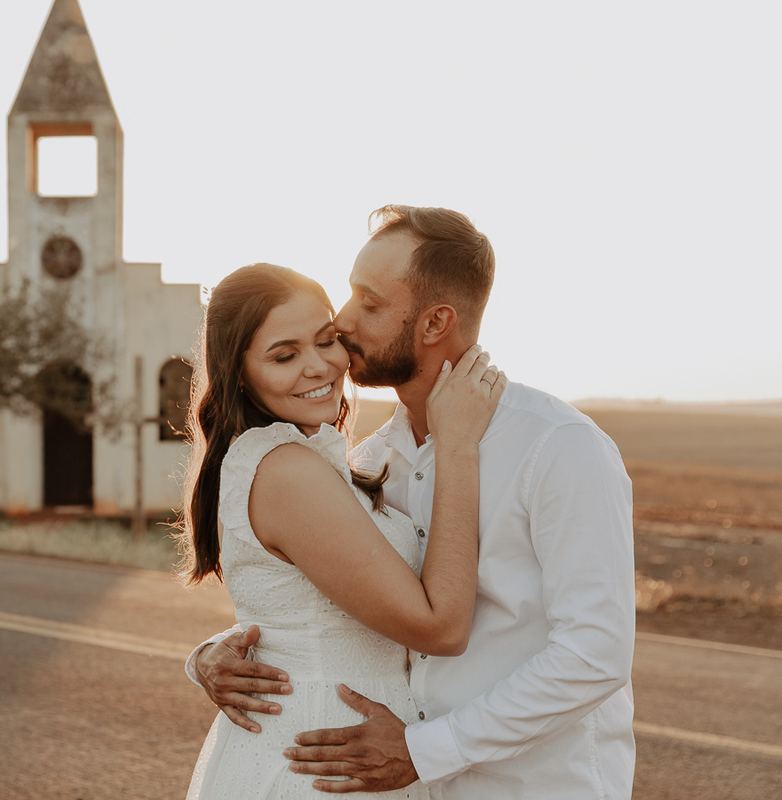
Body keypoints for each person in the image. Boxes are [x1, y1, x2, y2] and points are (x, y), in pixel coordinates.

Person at [188, 206, 636, 798]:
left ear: (434, 323)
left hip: (526, 785)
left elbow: (595, 654)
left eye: (368, 303)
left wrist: (426, 752)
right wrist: (213, 655)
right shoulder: (370, 461)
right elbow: (328, 603)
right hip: (393, 779)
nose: (343, 321)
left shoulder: (559, 447)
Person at [181, 262, 505, 799]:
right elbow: (441, 628)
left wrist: (206, 656)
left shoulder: (307, 458)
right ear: (239, 373)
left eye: (326, 339)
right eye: (284, 355)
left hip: (334, 743)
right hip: (322, 759)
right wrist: (457, 444)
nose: (319, 366)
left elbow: (291, 608)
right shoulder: (286, 468)